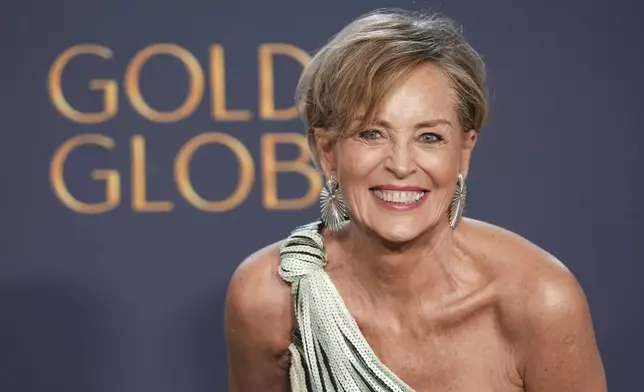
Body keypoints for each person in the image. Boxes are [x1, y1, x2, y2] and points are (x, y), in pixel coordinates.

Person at [225, 8, 607, 392]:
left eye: (429, 137)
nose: (402, 165)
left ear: (464, 153)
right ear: (327, 152)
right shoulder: (272, 295)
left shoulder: (540, 302)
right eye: (372, 133)